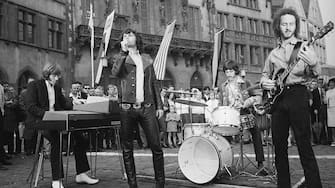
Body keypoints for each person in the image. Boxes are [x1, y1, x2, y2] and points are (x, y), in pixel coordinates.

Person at [260, 8, 322, 188]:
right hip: (278, 100)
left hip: (297, 95)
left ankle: (314, 185)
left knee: (304, 145)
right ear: (278, 26)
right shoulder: (273, 53)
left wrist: (314, 63)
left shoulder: (304, 47)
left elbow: (316, 75)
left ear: (296, 26)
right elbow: (265, 75)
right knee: (279, 146)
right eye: (284, 24)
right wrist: (265, 82)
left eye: (291, 24)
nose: (287, 27)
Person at [25, 62, 99, 188]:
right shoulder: (35, 85)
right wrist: (47, 115)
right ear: (48, 74)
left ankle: (81, 174)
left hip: (57, 121)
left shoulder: (57, 88)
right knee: (56, 141)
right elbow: (31, 107)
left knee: (81, 138)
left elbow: (63, 104)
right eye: (55, 75)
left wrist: (77, 103)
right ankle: (56, 179)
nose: (57, 78)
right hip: (41, 121)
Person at [108, 28, 164, 188]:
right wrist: (123, 52)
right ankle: (133, 184)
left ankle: (160, 184)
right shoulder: (120, 58)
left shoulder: (146, 58)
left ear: (136, 38)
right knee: (127, 148)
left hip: (147, 107)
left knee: (156, 146)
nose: (127, 37)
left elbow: (154, 83)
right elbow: (115, 73)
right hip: (127, 108)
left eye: (130, 34)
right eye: (124, 35)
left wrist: (159, 105)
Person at [219, 60, 266, 170]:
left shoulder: (245, 83)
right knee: (224, 137)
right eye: (226, 71)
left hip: (244, 112)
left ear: (235, 71)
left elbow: (257, 96)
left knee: (256, 133)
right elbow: (221, 102)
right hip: (230, 114)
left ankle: (260, 163)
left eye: (230, 71)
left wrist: (247, 103)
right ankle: (225, 163)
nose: (228, 73)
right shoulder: (223, 86)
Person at [325, 78, 335, 146]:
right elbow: (325, 101)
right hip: (329, 109)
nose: (331, 84)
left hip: (334, 108)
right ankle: (332, 140)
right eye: (330, 83)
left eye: (332, 83)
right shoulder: (327, 92)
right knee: (331, 126)